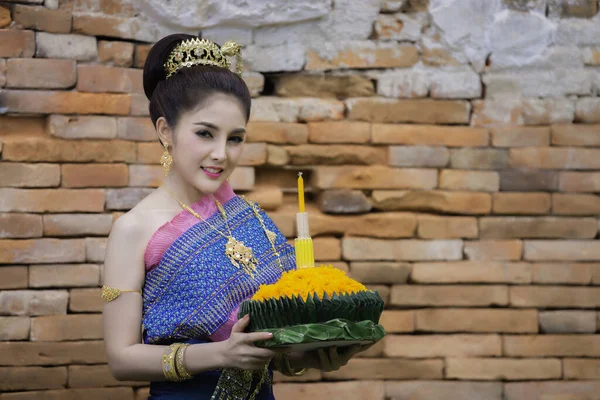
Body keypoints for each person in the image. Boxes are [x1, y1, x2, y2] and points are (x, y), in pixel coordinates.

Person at [101, 33, 371, 400]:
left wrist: (311, 356)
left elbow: (272, 343)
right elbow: (121, 359)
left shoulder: (251, 218)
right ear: (166, 131)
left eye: (235, 138)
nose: (221, 154)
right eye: (205, 133)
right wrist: (220, 354)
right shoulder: (134, 229)